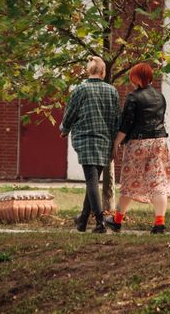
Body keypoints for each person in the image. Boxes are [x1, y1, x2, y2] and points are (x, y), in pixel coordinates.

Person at [105, 63, 170, 234]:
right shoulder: (160, 96)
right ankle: (159, 224)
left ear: (136, 78)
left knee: (130, 180)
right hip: (159, 142)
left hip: (138, 144)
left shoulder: (133, 98)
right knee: (158, 181)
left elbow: (126, 124)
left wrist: (117, 142)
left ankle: (117, 221)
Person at [60, 56, 120, 233]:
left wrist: (64, 129)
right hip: (105, 142)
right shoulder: (112, 91)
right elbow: (117, 119)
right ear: (103, 72)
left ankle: (100, 223)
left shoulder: (80, 89)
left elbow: (70, 113)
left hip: (86, 140)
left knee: (91, 181)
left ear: (88, 71)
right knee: (92, 181)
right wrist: (115, 142)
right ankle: (82, 220)